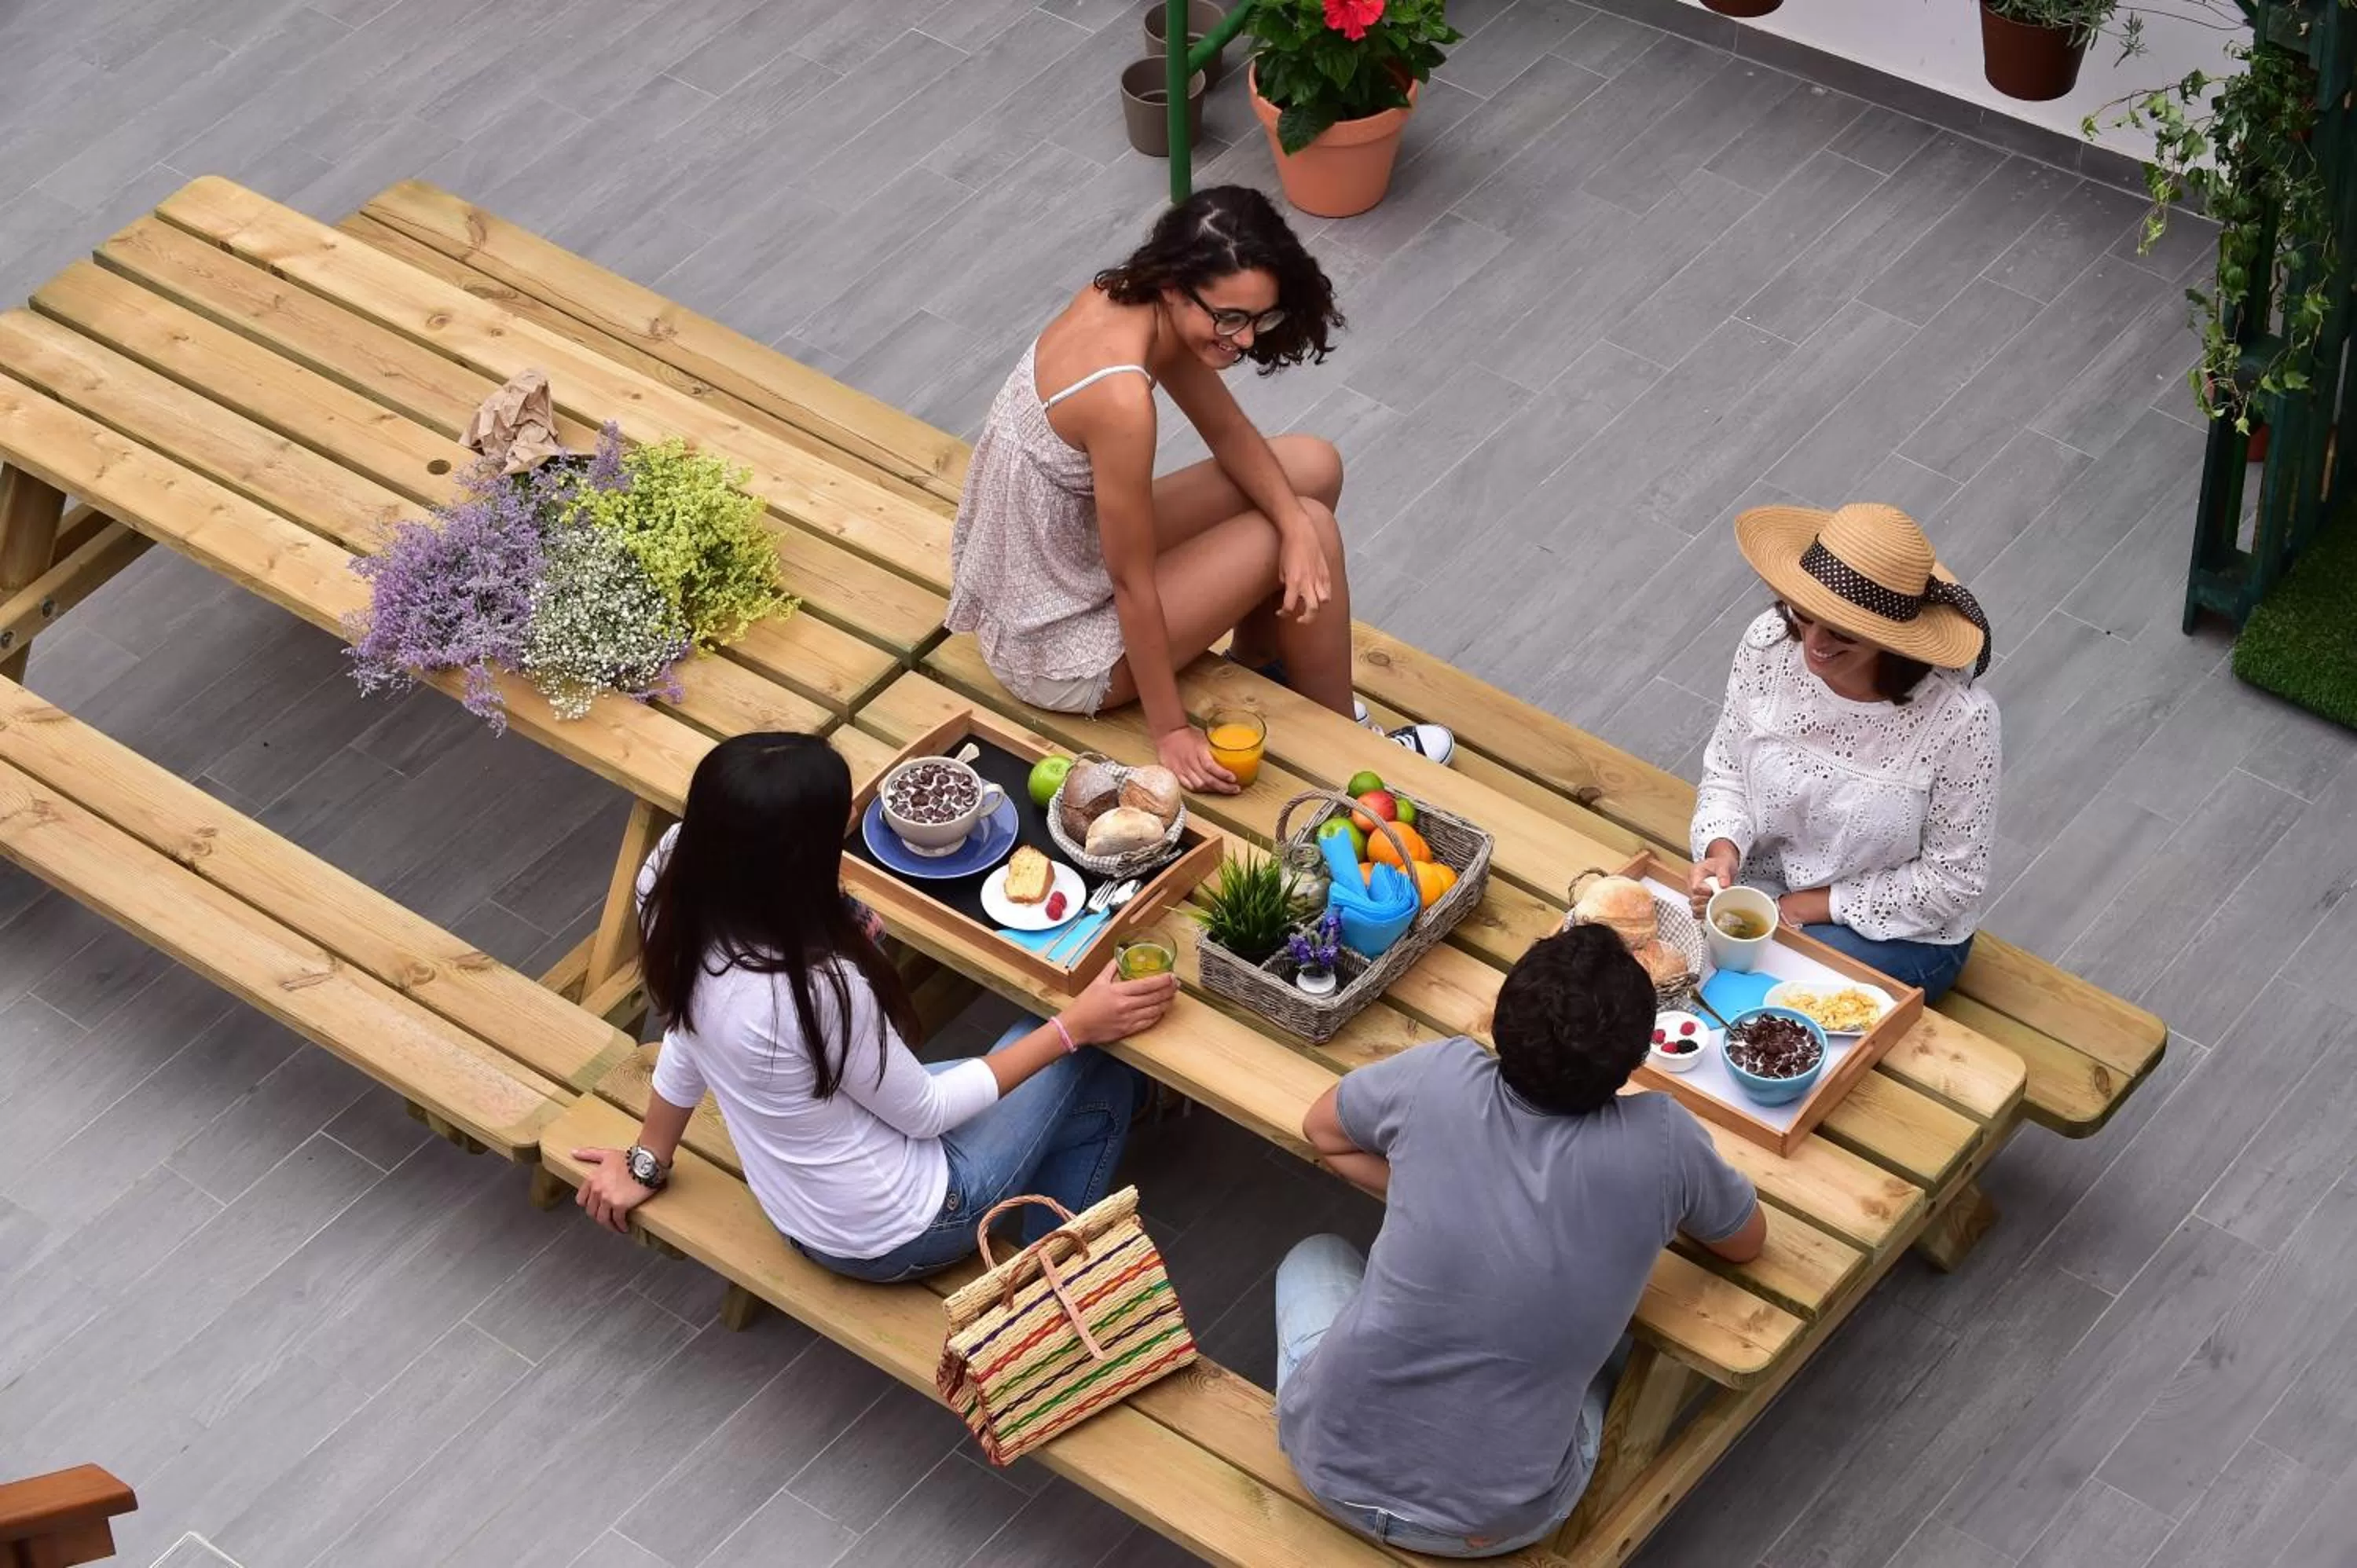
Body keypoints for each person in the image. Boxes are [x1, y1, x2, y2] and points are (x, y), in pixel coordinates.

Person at [570, 732, 1177, 1281]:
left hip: (801, 1202)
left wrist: (648, 1159)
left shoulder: (671, 879)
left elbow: (688, 1028)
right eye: (841, 821)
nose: (857, 816)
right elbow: (926, 1113)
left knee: (1102, 1100)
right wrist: (1073, 1028)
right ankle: (1062, 1290)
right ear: (794, 861)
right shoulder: (810, 988)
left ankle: (1058, 1279)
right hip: (902, 1228)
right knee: (1076, 1050)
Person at [944, 183, 1452, 795]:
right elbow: (1131, 581)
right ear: (1173, 284)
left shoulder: (1130, 299)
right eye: (1229, 318)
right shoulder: (1121, 399)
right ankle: (1346, 752)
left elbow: (1228, 432)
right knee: (1313, 523)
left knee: (1312, 468)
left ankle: (1264, 660)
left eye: (1259, 317)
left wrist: (1290, 525)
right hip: (1054, 648)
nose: (1244, 340)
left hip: (1063, 557)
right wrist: (1171, 733)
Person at [1274, 924, 1764, 1557]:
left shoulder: (1440, 1073)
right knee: (1616, 1346)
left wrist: (1422, 1187)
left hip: (1326, 1464)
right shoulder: (1665, 1139)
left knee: (1314, 1256)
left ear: (1501, 1022)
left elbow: (1324, 1132)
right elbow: (1745, 1243)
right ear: (1637, 1056)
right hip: (1491, 1524)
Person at [1684, 502, 2001, 1003]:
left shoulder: (1961, 721)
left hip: (1894, 930)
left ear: (1891, 639)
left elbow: (1951, 883)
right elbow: (1727, 773)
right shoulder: (1768, 642)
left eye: (1841, 630)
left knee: (1758, 1004)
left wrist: (1804, 906)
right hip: (1759, 893)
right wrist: (1722, 850)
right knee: (1677, 979)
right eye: (1804, 614)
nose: (1813, 642)